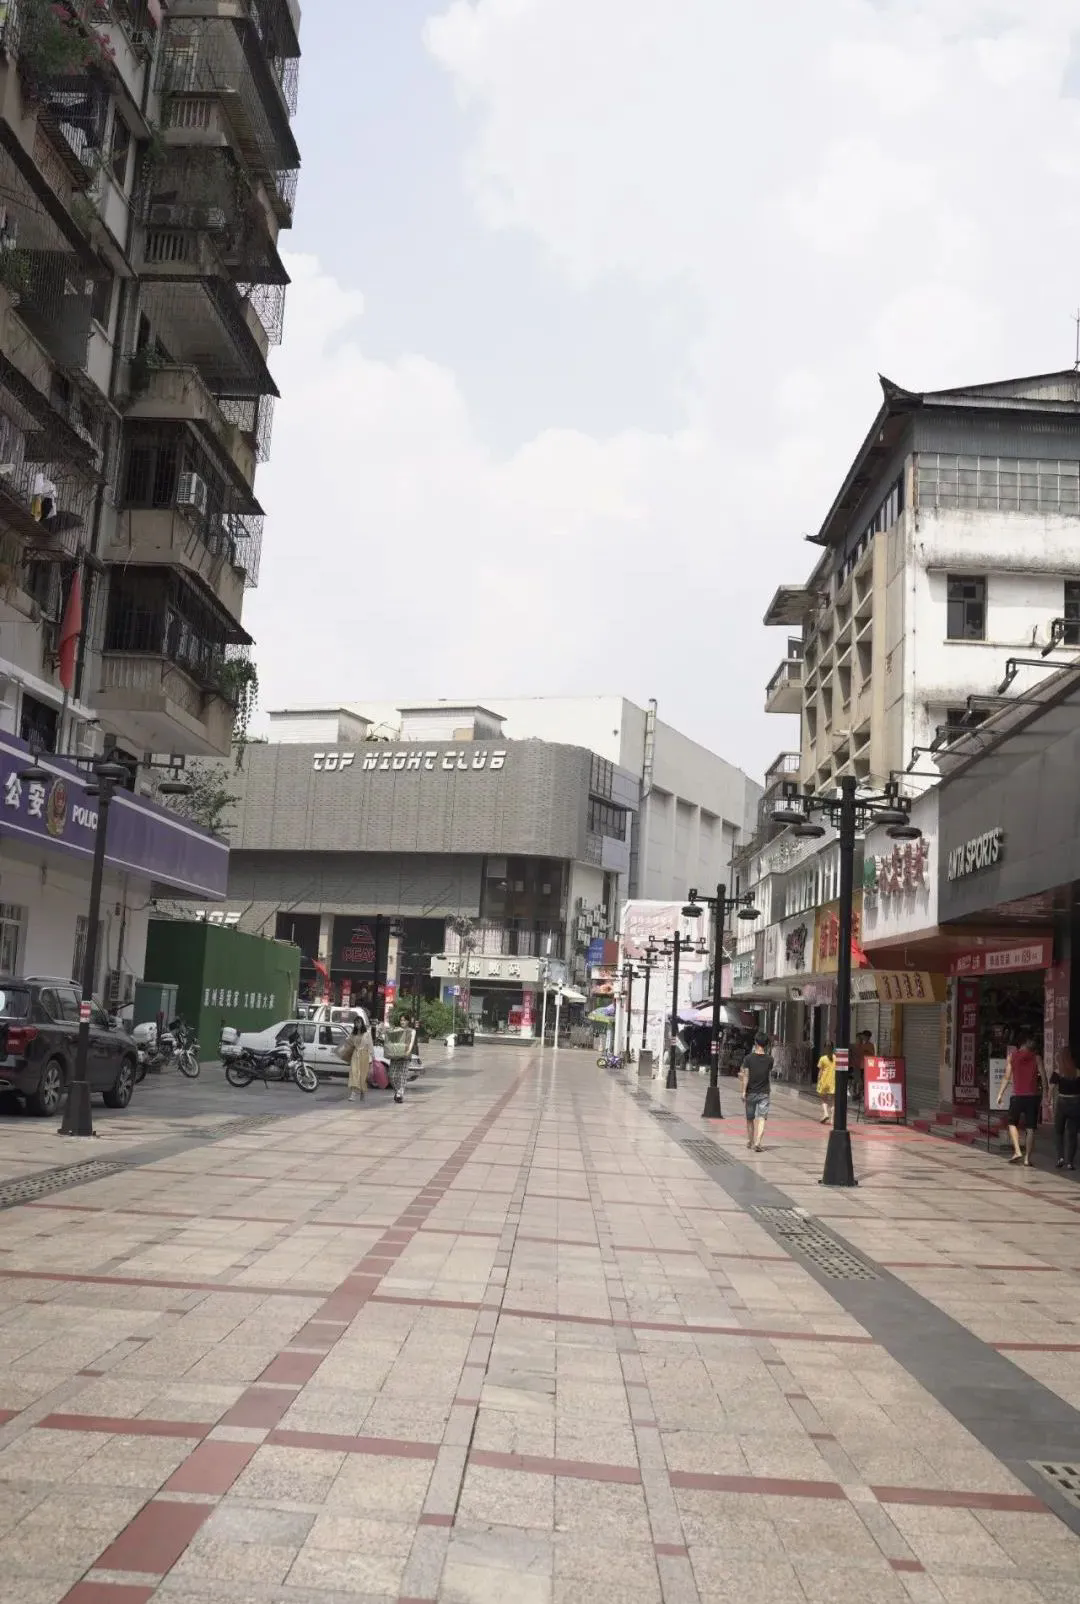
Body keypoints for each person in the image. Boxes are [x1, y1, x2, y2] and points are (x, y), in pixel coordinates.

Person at [996, 1035, 1046, 1166]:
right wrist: (1046, 1093)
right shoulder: (1037, 1058)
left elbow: (1007, 1077)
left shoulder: (1012, 1056)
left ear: (1022, 1045)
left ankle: (1017, 1151)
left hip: (1017, 1097)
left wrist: (1000, 1094)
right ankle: (1027, 1159)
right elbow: (1043, 1077)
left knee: (1012, 1123)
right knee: (1031, 1128)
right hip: (1032, 1097)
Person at [739, 1031, 773, 1153]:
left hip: (751, 1093)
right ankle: (758, 1142)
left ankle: (750, 1141)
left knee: (750, 1118)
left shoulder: (748, 1058)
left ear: (755, 1042)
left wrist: (743, 1091)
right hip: (764, 1092)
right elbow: (767, 1073)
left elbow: (746, 1076)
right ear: (766, 1044)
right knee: (762, 1118)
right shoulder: (770, 1059)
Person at [1051, 1048, 1080, 1171]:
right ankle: (1070, 1162)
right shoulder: (1078, 1072)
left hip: (1062, 1103)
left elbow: (1051, 1089)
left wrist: (1049, 1101)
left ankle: (1060, 1157)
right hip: (1076, 1103)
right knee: (1072, 1134)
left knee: (1059, 1132)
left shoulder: (1058, 1072)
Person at [384, 1015, 418, 1104]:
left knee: (402, 1076)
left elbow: (411, 1042)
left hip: (405, 1056)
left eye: (404, 1020)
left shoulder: (412, 1031)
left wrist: (408, 1051)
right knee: (391, 1075)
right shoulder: (397, 1030)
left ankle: (400, 1094)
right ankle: (398, 1092)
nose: (402, 1022)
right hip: (395, 1056)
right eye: (401, 1020)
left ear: (408, 1021)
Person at [347, 1017, 370, 1103]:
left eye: (359, 1022)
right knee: (354, 1073)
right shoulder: (353, 1033)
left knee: (362, 1075)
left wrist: (371, 1059)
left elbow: (370, 1046)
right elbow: (348, 1041)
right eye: (356, 1023)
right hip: (355, 1055)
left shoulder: (367, 1034)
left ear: (362, 1023)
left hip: (364, 1055)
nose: (357, 1024)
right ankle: (353, 1093)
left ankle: (362, 1092)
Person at [816, 1040, 836, 1124]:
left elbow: (820, 1072)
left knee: (823, 1099)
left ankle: (826, 1113)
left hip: (824, 1081)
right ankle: (832, 1119)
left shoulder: (822, 1058)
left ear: (824, 1048)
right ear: (833, 1048)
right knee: (833, 1101)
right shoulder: (836, 1058)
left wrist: (818, 1080)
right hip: (833, 1081)